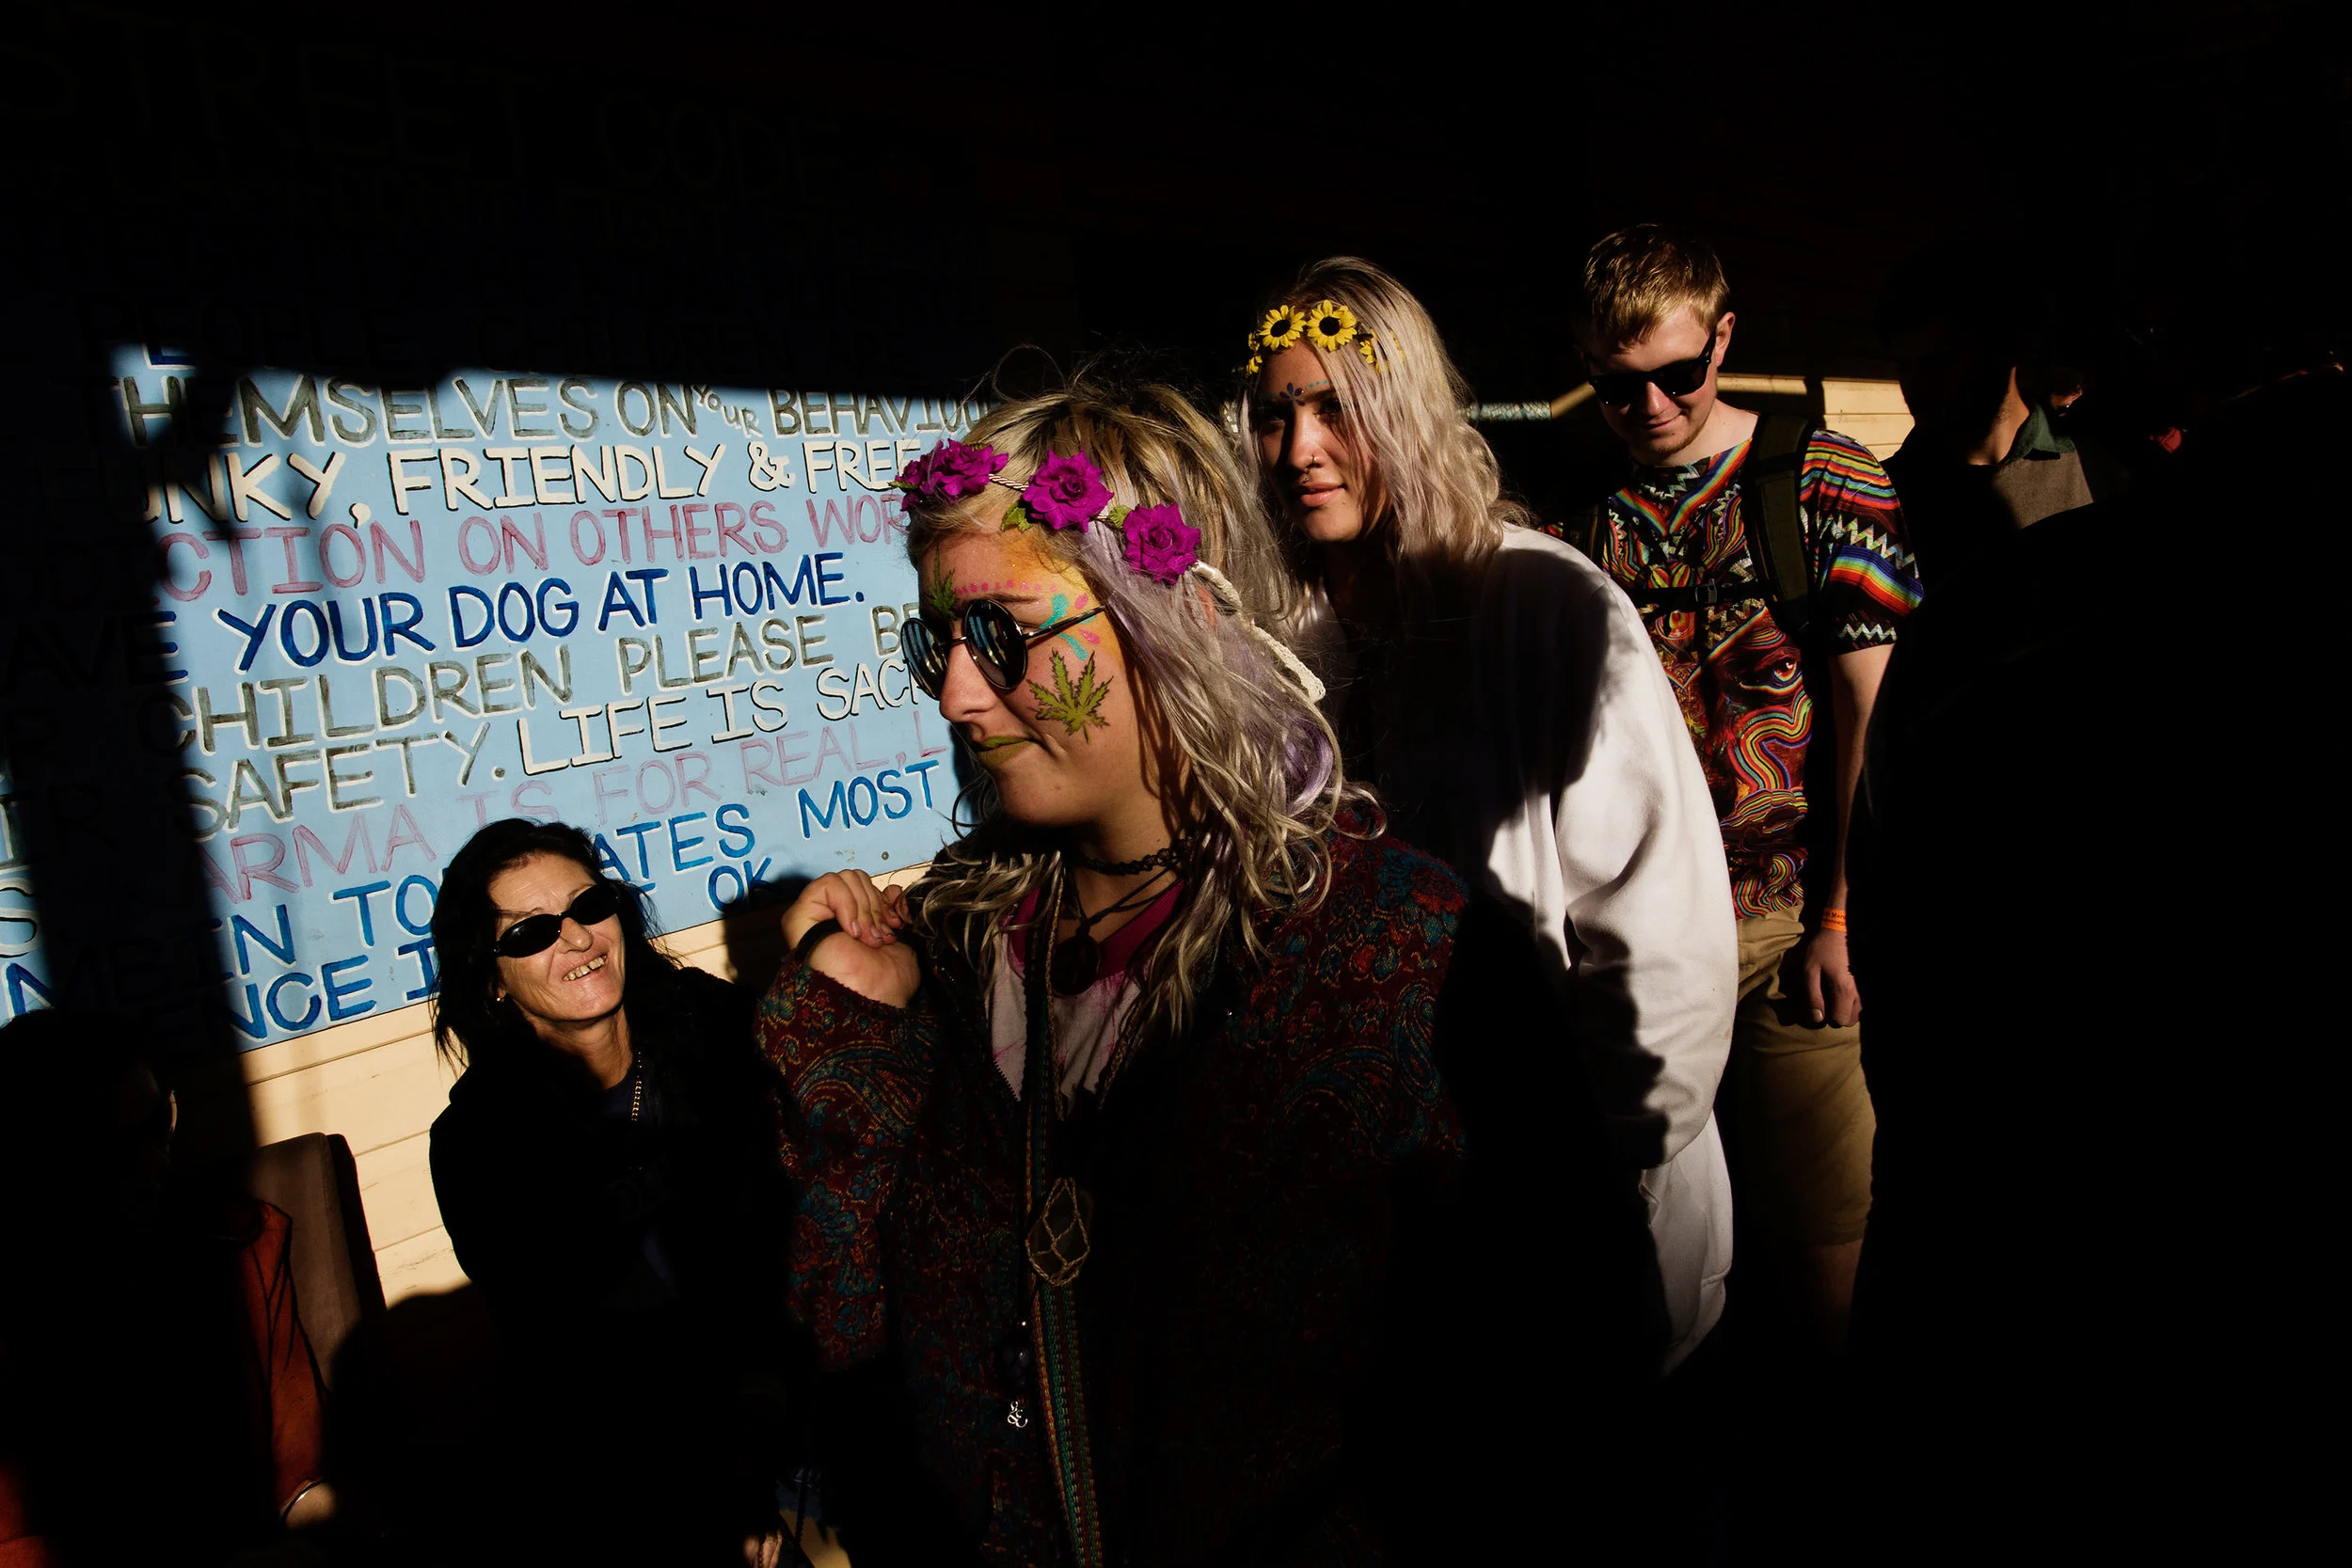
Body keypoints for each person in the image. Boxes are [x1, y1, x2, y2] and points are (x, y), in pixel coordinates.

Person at [758, 366, 1470, 1565]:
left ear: (1173, 614)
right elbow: (855, 1339)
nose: (956, 694)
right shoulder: (944, 956)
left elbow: (1525, 1386)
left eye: (1001, 633)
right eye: (934, 639)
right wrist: (851, 1054)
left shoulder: (1391, 951)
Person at [1239, 259, 1739, 1386]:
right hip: (1408, 1233)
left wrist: (1609, 1175)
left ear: (1405, 413)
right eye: (1276, 415)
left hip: (1584, 1203)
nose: (1302, 447)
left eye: (1336, 408)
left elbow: (1661, 934)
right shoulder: (1285, 644)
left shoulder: (1538, 601)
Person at [1563, 224, 1923, 1359]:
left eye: (1680, 373)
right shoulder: (1587, 506)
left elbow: (1874, 708)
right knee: (1661, 1258)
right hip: (1642, 930)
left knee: (1823, 1241)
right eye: (1619, 387)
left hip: (1785, 922)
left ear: (1723, 340)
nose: (1655, 406)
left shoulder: (1819, 475)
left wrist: (1838, 917)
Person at [427, 819, 795, 1564]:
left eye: (588, 905)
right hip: (643, 1464)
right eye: (530, 932)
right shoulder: (480, 1143)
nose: (577, 938)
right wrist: (727, 1476)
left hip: (793, 1393)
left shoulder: (710, 1024)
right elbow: (577, 1361)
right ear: (493, 976)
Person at [0, 1008, 333, 1565]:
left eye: (158, 1123)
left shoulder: (240, 1245)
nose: (154, 1161)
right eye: (108, 1149)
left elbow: (297, 1475)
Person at [1879, 235, 2133, 588]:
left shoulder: (2100, 471)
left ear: (2009, 351)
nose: (1917, 387)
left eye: (1939, 362)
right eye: (1904, 367)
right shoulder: (1881, 497)